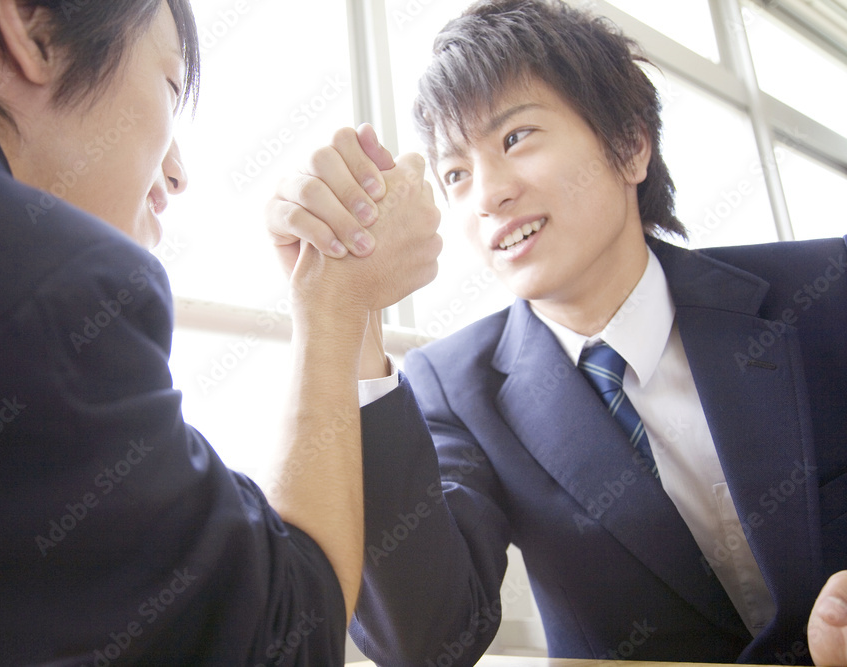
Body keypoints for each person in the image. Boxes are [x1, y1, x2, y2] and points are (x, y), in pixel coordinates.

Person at [0, 0, 441, 664]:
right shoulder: (49, 290)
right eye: (169, 83)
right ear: (31, 24)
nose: (177, 173)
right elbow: (287, 635)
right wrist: (335, 298)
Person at [266, 0, 847, 664]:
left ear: (630, 145)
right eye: (456, 174)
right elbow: (426, 639)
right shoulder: (456, 388)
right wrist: (354, 319)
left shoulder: (826, 290)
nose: (488, 194)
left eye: (516, 138)